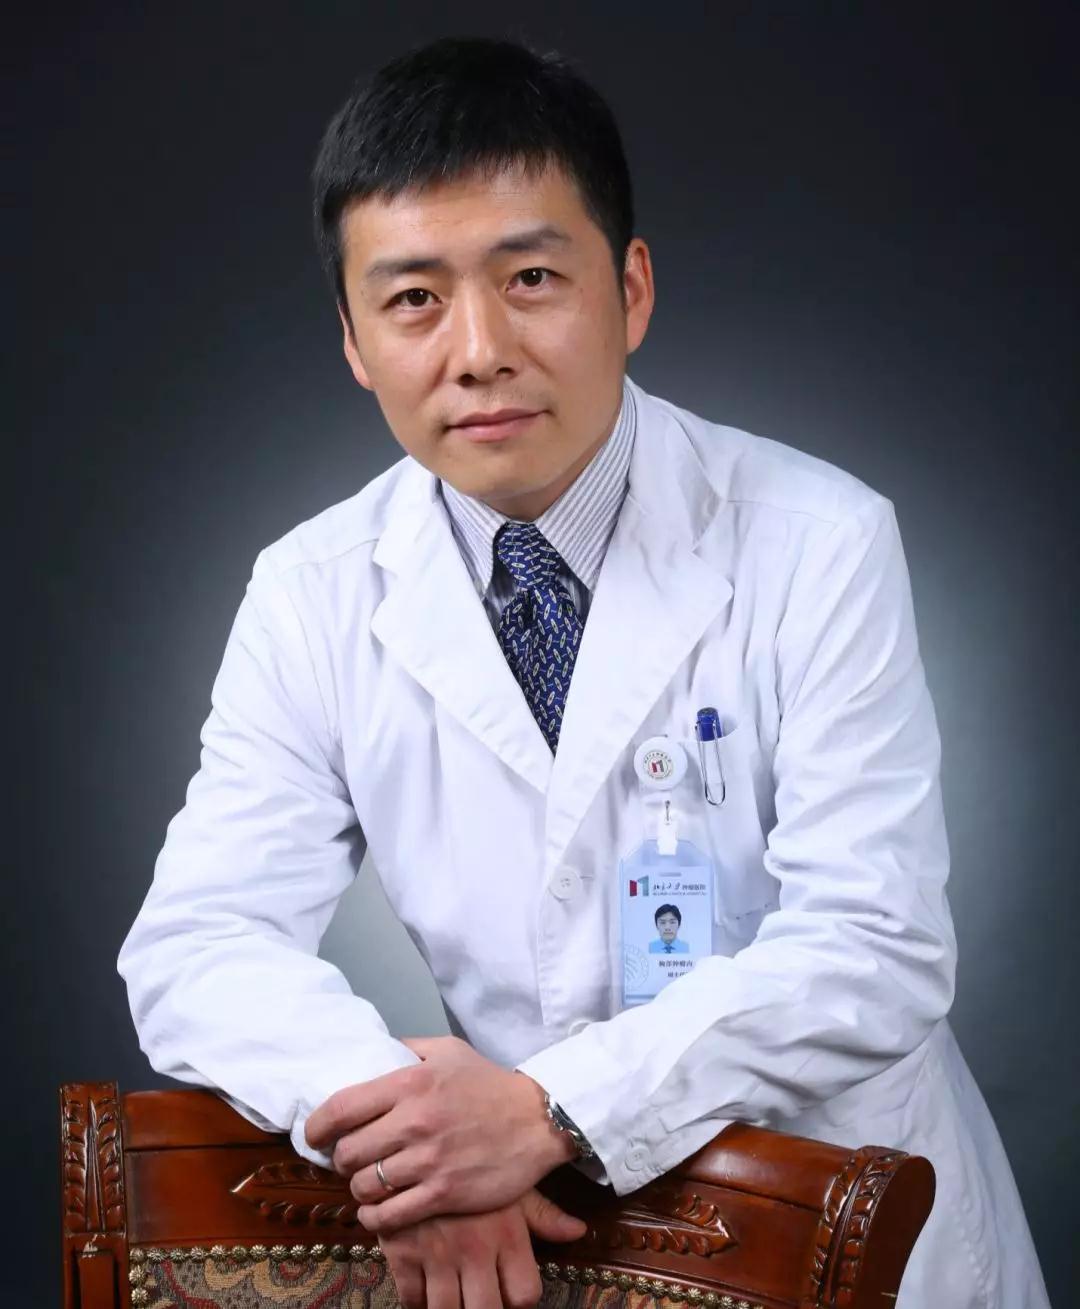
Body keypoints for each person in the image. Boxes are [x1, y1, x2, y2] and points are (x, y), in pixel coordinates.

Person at [116, 34, 1049, 1309]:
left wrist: (545, 1109)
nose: (479, 349)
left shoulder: (818, 539)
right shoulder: (312, 589)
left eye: (532, 277)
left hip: (840, 1227)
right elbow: (199, 941)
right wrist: (413, 1142)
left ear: (632, 288)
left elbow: (875, 944)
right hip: (539, 1244)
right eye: (413, 299)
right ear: (352, 340)